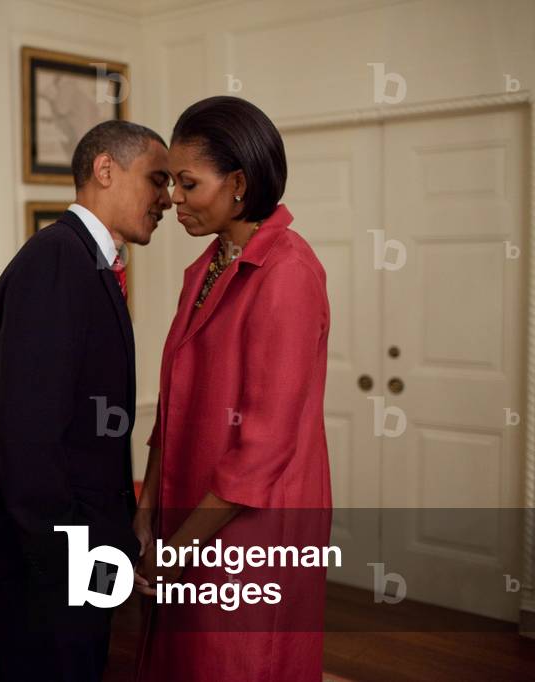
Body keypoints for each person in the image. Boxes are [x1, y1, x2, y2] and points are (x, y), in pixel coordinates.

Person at [0, 119, 171, 682]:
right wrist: (78, 565)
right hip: (44, 559)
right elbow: (29, 438)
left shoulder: (87, 261)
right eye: (157, 180)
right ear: (106, 169)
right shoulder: (56, 262)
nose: (167, 199)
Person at [134, 96, 332, 681]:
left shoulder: (287, 274)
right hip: (194, 508)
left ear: (239, 184)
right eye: (170, 182)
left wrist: (177, 551)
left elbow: (263, 447)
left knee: (237, 661)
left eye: (188, 184)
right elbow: (172, 403)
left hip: (253, 524)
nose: (172, 198)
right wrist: (148, 510)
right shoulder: (208, 265)